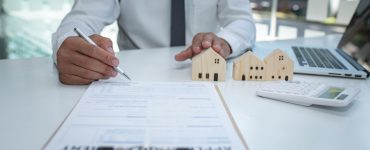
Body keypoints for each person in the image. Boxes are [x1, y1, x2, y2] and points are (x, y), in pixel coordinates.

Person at [52, 0, 256, 84]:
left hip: (203, 78)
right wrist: (68, 43)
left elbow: (242, 20)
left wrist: (225, 42)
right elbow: (82, 18)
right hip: (134, 80)